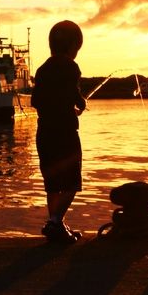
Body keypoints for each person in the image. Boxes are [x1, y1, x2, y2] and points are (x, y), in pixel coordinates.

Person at [32, 20, 87, 244]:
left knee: (53, 182)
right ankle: (55, 221)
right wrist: (80, 104)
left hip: (44, 133)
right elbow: (74, 96)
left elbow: (35, 100)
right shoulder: (71, 67)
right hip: (65, 132)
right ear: (74, 44)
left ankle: (56, 223)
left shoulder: (42, 69)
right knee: (72, 182)